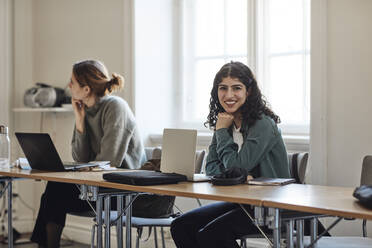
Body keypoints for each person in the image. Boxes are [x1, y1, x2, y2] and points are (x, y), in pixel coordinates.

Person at [170, 61, 290, 248]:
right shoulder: (225, 123)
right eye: (223, 88)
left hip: (269, 206)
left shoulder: (263, 124)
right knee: (181, 225)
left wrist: (235, 170)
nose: (229, 95)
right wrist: (236, 175)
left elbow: (236, 167)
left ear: (248, 91)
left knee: (212, 235)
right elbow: (211, 168)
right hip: (242, 202)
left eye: (237, 88)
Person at [31, 59, 146, 248]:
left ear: (86, 89)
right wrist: (79, 120)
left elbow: (109, 161)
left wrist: (81, 171)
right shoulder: (85, 110)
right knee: (54, 190)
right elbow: (81, 158)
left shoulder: (115, 107)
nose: (68, 85)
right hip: (96, 187)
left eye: (72, 82)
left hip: (123, 191)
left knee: (55, 191)